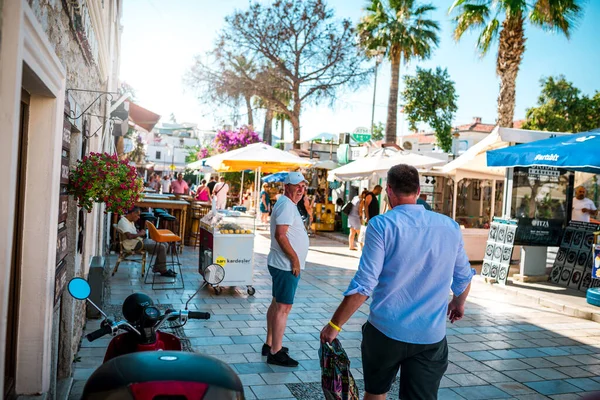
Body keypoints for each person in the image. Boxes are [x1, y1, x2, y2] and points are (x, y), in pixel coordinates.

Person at [320, 164, 474, 400]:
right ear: (419, 190)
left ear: (389, 191)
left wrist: (335, 325)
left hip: (385, 331)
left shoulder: (381, 225)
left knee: (376, 393)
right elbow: (464, 276)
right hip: (429, 335)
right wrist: (458, 302)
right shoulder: (449, 227)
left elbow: (365, 283)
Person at [264, 172, 309, 367]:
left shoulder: (288, 204)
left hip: (281, 263)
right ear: (286, 186)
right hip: (285, 265)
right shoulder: (286, 205)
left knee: (277, 304)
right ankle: (276, 352)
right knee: (284, 307)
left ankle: (270, 343)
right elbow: (281, 235)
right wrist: (295, 260)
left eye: (303, 186)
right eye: (296, 185)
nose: (301, 189)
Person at [117, 207, 177, 277]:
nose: (139, 217)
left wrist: (139, 232)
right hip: (133, 244)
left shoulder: (130, 221)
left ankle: (158, 267)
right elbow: (129, 236)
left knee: (165, 244)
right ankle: (163, 270)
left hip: (138, 241)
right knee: (161, 247)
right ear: (133, 213)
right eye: (138, 215)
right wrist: (140, 234)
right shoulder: (123, 222)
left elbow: (133, 233)